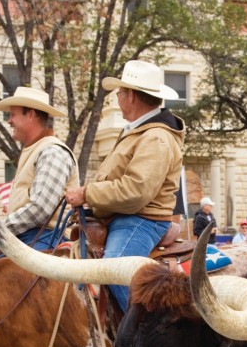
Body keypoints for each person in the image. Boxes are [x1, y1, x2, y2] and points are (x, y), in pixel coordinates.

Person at [64, 60, 184, 311]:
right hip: (124, 218)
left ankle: (150, 337)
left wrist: (87, 193)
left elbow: (136, 192)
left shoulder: (156, 137)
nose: (118, 98)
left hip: (140, 221)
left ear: (130, 96)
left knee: (114, 271)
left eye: (119, 93)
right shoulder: (140, 132)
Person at [0, 86, 75, 252]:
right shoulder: (37, 150)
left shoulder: (52, 151)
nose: (9, 121)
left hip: (46, 238)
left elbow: (41, 209)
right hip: (27, 236)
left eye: (13, 115)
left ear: (31, 114)